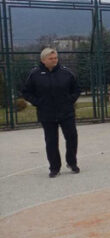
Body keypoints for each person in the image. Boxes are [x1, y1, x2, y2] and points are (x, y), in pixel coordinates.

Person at [21, 48, 81, 178]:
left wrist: (69, 100)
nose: (54, 60)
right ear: (43, 60)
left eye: (56, 58)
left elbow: (76, 89)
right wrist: (38, 102)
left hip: (66, 112)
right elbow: (26, 92)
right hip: (46, 114)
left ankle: (72, 163)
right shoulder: (34, 74)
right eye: (51, 58)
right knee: (51, 141)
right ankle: (54, 168)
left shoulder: (67, 73)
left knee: (72, 138)